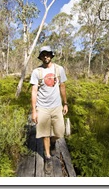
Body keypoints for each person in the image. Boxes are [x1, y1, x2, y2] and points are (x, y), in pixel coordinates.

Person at [30, 45, 68, 175]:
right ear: (40, 57)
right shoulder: (37, 72)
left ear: (51, 55)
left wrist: (65, 103)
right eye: (43, 54)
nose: (45, 56)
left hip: (57, 106)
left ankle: (53, 143)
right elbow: (34, 90)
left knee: (58, 133)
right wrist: (34, 110)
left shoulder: (59, 69)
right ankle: (47, 157)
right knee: (45, 133)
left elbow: (62, 86)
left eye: (48, 54)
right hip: (42, 107)